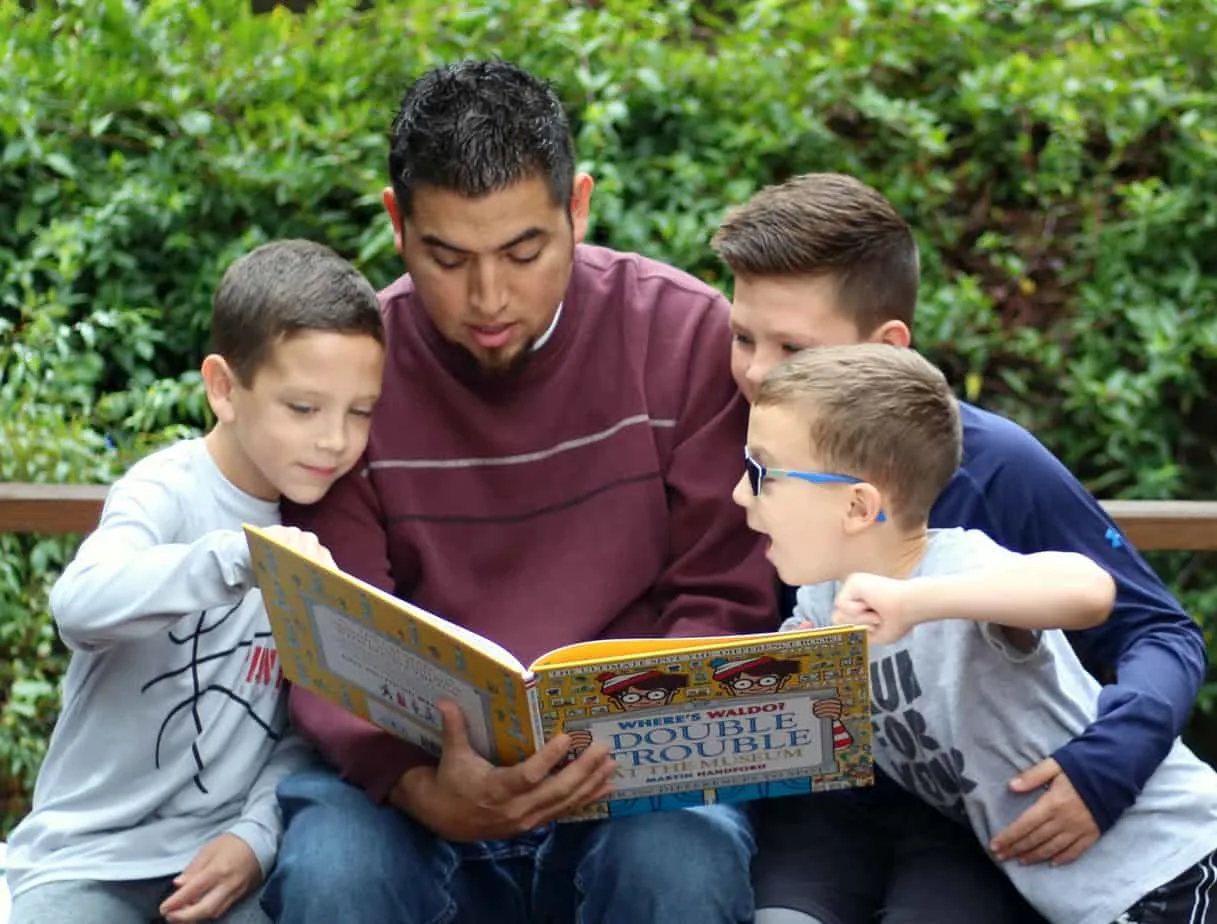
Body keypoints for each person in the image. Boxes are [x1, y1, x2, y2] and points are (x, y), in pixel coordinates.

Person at [261, 60, 775, 924]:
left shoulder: (681, 336)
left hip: (636, 773)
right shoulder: (352, 374)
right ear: (397, 224)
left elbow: (722, 598)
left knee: (679, 863)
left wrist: (630, 753)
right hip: (415, 778)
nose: (488, 297)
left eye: (523, 252)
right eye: (447, 257)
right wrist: (421, 787)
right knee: (334, 871)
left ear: (577, 207)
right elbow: (330, 621)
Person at [711, 173, 1209, 921]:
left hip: (983, 825)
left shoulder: (994, 466)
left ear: (886, 348)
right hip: (830, 806)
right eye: (742, 337)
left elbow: (1153, 627)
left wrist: (1104, 767)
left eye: (792, 349)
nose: (754, 372)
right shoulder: (755, 442)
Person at [4, 240, 386, 924]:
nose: (335, 440)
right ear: (222, 387)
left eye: (359, 412)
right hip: (90, 858)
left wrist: (256, 836)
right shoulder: (166, 490)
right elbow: (80, 604)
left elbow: (307, 723)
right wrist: (239, 558)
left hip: (219, 862)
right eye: (303, 408)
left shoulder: (336, 520)